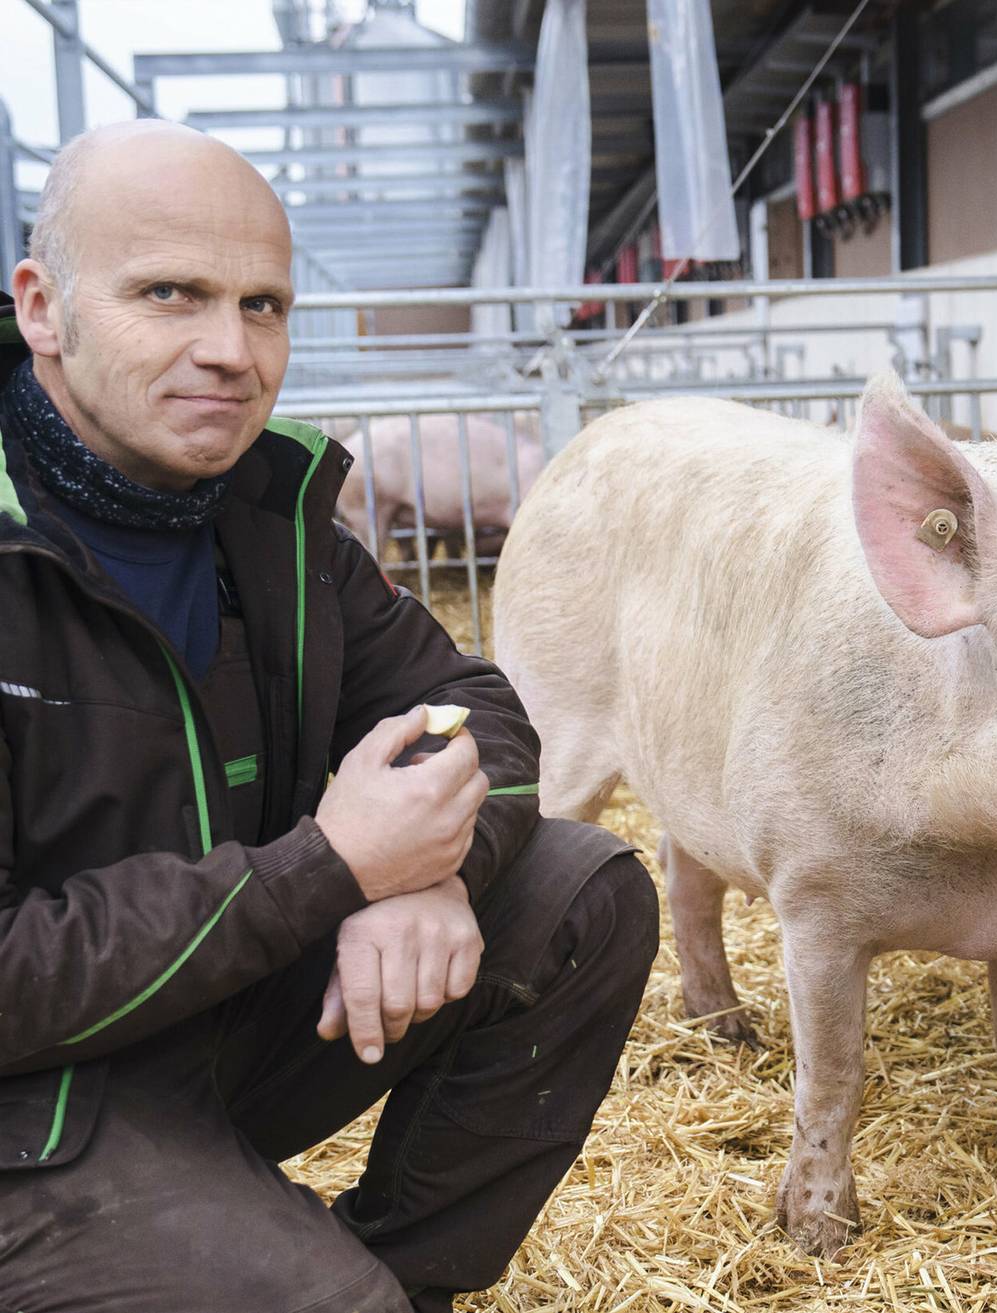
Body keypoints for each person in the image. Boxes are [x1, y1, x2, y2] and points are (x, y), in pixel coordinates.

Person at [0, 121, 658, 1312]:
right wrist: (332, 867)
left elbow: (474, 712)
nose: (231, 350)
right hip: (27, 1101)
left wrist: (424, 870)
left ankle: (398, 1281)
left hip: (213, 1020)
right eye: (171, 294)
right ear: (44, 308)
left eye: (264, 305)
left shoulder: (270, 520)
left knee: (583, 888)